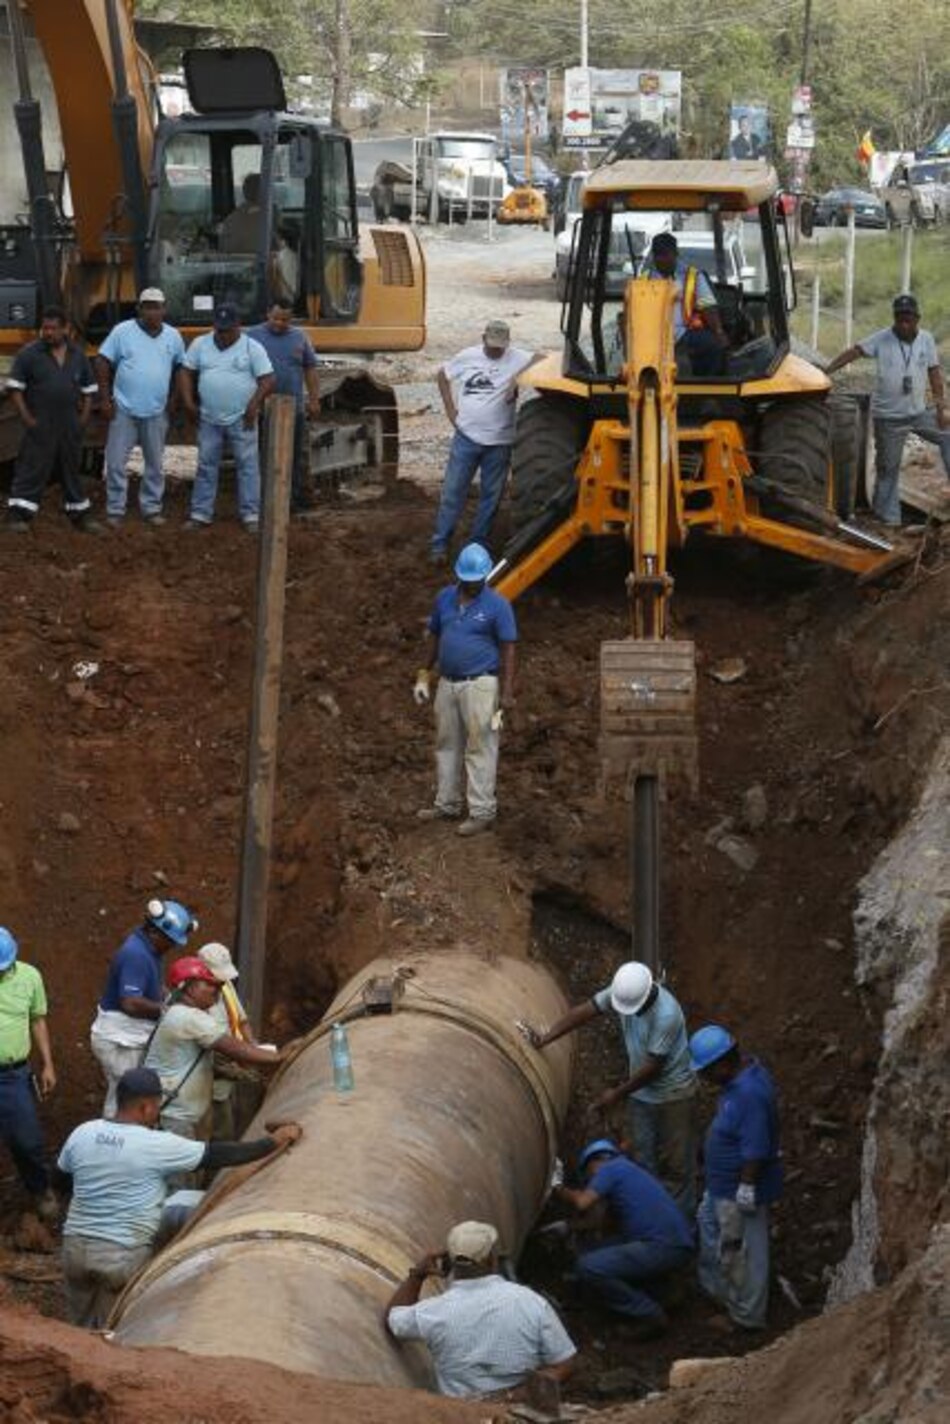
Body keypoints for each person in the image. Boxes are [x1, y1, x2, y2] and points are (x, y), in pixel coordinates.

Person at [55, 1065, 302, 1328]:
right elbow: (219, 1155)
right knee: (111, 1333)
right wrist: (273, 1142)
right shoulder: (156, 1144)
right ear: (145, 1108)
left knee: (77, 1330)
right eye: (157, 1105)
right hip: (121, 1254)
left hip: (74, 1249)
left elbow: (59, 1180)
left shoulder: (83, 1132)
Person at [527, 961, 698, 1215]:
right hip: (641, 1093)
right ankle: (648, 1216)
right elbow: (585, 1011)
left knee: (677, 1165)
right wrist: (546, 1038)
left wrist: (615, 1095)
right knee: (642, 1159)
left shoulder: (667, 1015)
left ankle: (682, 1223)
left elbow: (654, 1068)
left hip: (674, 1094)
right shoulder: (625, 990)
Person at [385, 1219, 577, 1399]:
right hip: (518, 1414)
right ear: (491, 1260)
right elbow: (565, 1365)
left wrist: (418, 1275)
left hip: (458, 1414)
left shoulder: (435, 1312)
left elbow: (394, 1320)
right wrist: (514, 1396)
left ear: (448, 1262)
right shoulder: (530, 1302)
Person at [413, 542, 517, 837]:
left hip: (481, 684)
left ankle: (482, 811)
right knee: (446, 745)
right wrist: (424, 674)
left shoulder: (498, 605)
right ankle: (447, 804)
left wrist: (507, 691)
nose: (474, 584)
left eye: (478, 580)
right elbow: (434, 636)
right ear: (460, 576)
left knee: (480, 746)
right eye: (469, 580)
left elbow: (509, 649)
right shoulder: (444, 598)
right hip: (448, 683)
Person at [826, 294, 950, 529]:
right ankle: (888, 520)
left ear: (917, 319)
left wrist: (942, 407)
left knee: (948, 434)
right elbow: (855, 351)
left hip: (919, 413)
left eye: (908, 319)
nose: (903, 324)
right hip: (889, 419)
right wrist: (827, 370)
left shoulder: (926, 340)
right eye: (899, 319)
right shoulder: (882, 338)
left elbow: (934, 373)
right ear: (894, 318)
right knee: (888, 470)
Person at [690, 1023, 782, 1331]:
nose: (703, 1077)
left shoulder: (750, 1094)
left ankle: (746, 1317)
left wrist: (746, 1187)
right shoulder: (740, 1081)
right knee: (712, 1231)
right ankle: (721, 1292)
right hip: (720, 1187)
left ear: (723, 1064)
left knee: (744, 1251)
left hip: (737, 1191)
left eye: (705, 1071)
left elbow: (756, 1147)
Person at [556, 1139, 695, 1339]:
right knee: (595, 1249)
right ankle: (664, 1291)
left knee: (588, 1266)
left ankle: (648, 1313)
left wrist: (557, 1187)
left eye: (588, 1176)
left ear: (593, 1163)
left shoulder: (610, 1169)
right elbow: (600, 1223)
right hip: (677, 1245)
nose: (590, 1181)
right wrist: (567, 1226)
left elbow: (582, 1202)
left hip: (660, 1247)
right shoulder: (629, 1172)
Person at [430, 321, 539, 564]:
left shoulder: (516, 357)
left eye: (501, 347)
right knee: (452, 492)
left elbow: (544, 358)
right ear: (483, 339)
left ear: (508, 344)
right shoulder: (467, 356)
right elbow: (442, 375)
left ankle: (477, 545)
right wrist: (450, 410)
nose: (496, 352)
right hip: (466, 438)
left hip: (500, 443)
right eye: (492, 347)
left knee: (491, 497)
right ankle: (439, 544)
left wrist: (516, 380)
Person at [144, 956, 283, 1140]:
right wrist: (278, 1058)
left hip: (176, 1113)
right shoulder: (189, 1017)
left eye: (217, 986)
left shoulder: (179, 1012)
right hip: (175, 1117)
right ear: (189, 987)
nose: (215, 991)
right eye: (208, 985)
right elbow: (232, 1047)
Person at [90, 898, 198, 1119]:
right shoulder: (136, 954)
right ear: (156, 933)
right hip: (120, 1040)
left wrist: (169, 997)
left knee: (127, 1093)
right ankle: (115, 1141)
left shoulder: (149, 951)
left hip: (127, 1037)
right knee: (125, 1095)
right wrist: (168, 1011)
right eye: (171, 941)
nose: (173, 946)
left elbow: (149, 983)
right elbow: (129, 1002)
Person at [179, 302, 275, 532]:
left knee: (248, 465)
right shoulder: (200, 344)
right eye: (219, 330)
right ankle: (201, 513)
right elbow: (185, 372)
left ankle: (251, 514)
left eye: (228, 330)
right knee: (206, 464)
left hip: (242, 418)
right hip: (209, 417)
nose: (223, 335)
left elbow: (268, 379)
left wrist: (253, 405)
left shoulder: (252, 347)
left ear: (238, 327)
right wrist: (188, 402)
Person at [4, 306, 99, 533]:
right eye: (44, 328)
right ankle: (18, 516)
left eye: (53, 328)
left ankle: (80, 516)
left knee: (71, 469)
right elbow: (15, 389)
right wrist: (27, 418)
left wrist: (82, 419)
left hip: (69, 424)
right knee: (32, 467)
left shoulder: (78, 356)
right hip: (40, 422)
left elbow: (88, 389)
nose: (48, 333)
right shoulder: (29, 354)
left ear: (66, 329)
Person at [96, 288, 186, 527]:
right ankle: (115, 509)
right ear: (139, 309)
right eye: (147, 306)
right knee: (115, 461)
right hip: (124, 408)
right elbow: (103, 361)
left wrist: (174, 398)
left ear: (164, 309)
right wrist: (105, 399)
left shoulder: (173, 336)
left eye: (157, 306)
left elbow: (180, 368)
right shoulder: (122, 331)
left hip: (157, 410)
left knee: (155, 463)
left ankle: (151, 508)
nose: (152, 311)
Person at [0, 926, 58, 1222]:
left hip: (12, 1075)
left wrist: (47, 1063)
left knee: (27, 1140)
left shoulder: (29, 977)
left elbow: (37, 1020)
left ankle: (40, 1190)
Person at [248, 298, 320, 513]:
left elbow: (310, 369)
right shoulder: (252, 336)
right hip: (261, 408)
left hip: (293, 409)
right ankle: (263, 501)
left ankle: (292, 500)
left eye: (285, 320)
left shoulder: (299, 338)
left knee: (293, 455)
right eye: (276, 318)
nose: (280, 323)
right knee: (260, 455)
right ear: (267, 314)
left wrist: (314, 399)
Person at [197, 941, 262, 1140]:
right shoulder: (195, 999)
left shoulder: (225, 986)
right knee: (219, 1134)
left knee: (226, 1128)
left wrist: (252, 1046)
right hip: (208, 1084)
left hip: (231, 1069)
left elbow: (242, 1021)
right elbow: (209, 1046)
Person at [642, 232, 728, 377]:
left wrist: (719, 332)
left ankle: (707, 389)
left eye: (665, 254)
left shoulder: (692, 276)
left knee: (713, 347)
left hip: (684, 334)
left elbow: (708, 306)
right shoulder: (644, 280)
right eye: (658, 255)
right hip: (652, 336)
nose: (661, 259)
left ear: (675, 253)